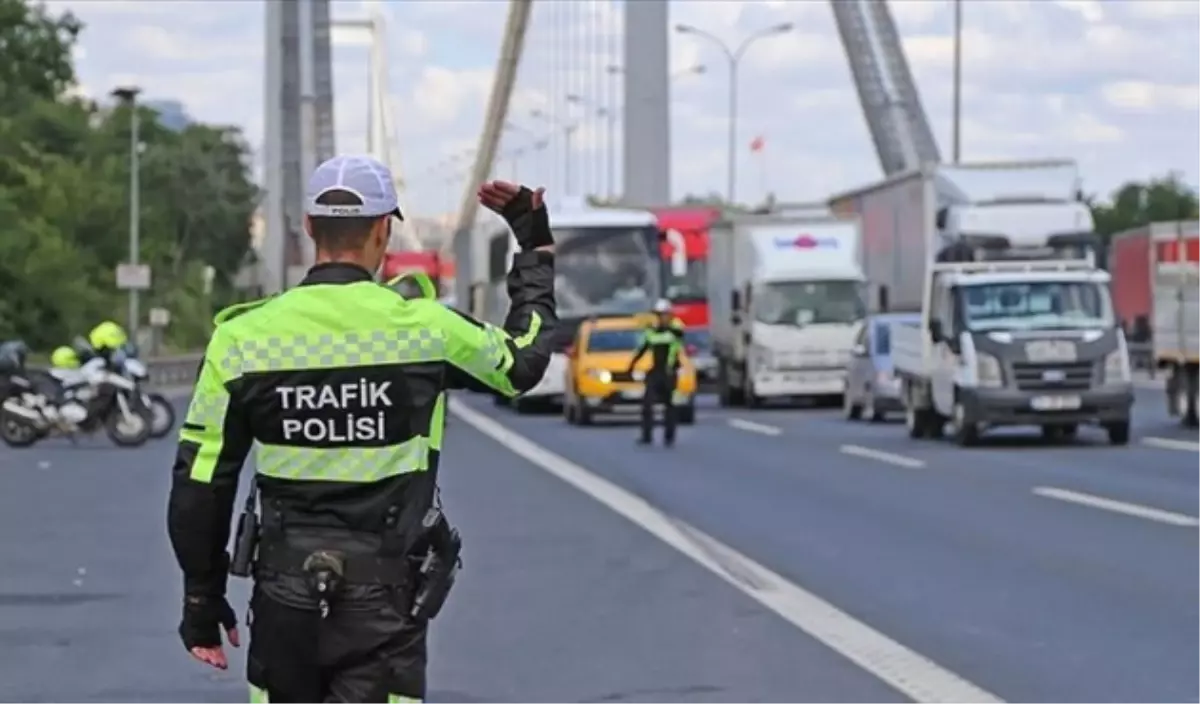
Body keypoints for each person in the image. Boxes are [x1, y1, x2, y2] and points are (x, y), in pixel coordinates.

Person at [166, 154, 557, 703]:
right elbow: (524, 362)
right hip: (386, 602)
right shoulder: (425, 329)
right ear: (383, 229)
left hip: (284, 598)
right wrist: (533, 247)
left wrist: (201, 603)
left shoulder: (243, 340)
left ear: (309, 229)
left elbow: (200, 483)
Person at [627, 298, 685, 447]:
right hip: (655, 372)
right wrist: (631, 366)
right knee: (647, 404)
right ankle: (646, 436)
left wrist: (666, 326)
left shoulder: (675, 329)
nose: (662, 318)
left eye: (664, 314)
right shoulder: (651, 332)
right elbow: (642, 349)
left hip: (670, 372)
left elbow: (680, 333)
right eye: (659, 315)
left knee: (670, 406)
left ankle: (669, 437)